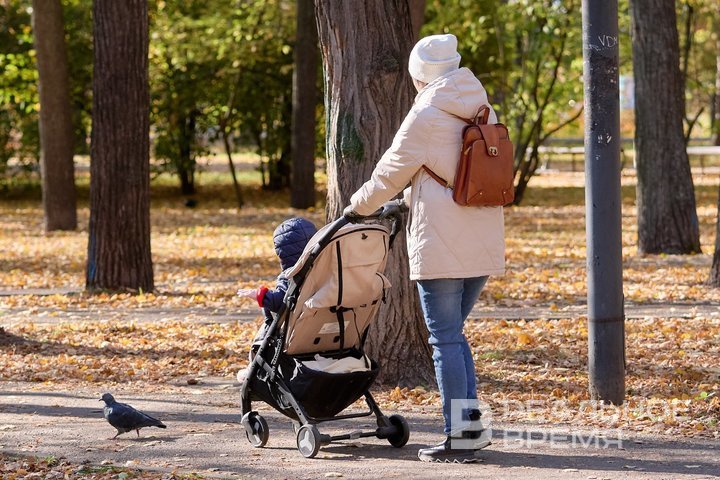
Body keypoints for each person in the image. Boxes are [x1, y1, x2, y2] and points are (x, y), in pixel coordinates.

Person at [343, 33, 505, 463]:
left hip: (442, 239)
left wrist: (355, 208)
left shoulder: (428, 113)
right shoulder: (482, 106)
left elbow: (389, 172)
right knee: (454, 335)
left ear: (419, 75)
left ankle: (459, 438)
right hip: (483, 235)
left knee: (444, 338)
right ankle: (471, 429)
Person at [236, 217, 317, 380]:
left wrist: (260, 295)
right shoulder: (325, 271)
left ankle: (254, 368)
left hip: (293, 333)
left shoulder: (290, 276)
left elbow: (280, 302)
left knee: (268, 327)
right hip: (321, 328)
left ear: (281, 252)